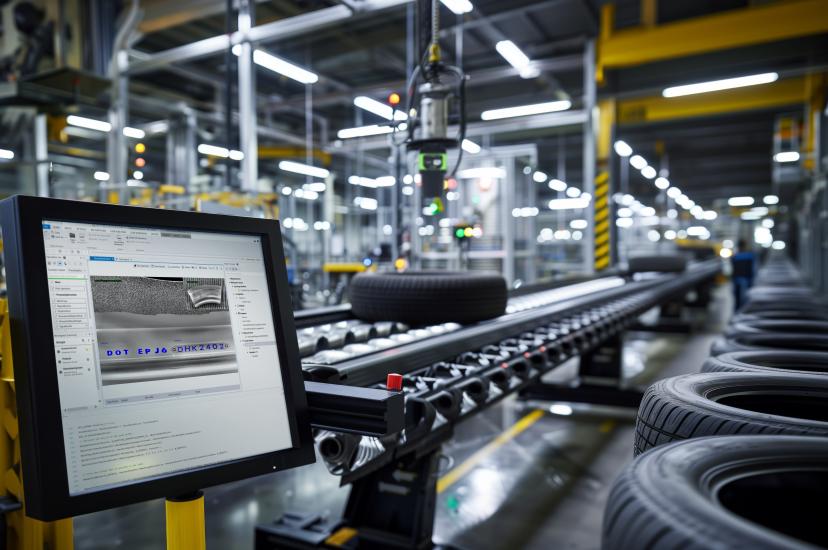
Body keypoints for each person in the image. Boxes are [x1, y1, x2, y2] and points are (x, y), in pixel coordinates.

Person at [731, 239, 757, 311]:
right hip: (747, 280)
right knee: (747, 299)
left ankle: (737, 313)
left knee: (738, 300)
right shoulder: (750, 256)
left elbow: (733, 270)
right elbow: (753, 269)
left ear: (738, 246)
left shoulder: (735, 256)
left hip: (737, 280)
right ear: (745, 246)